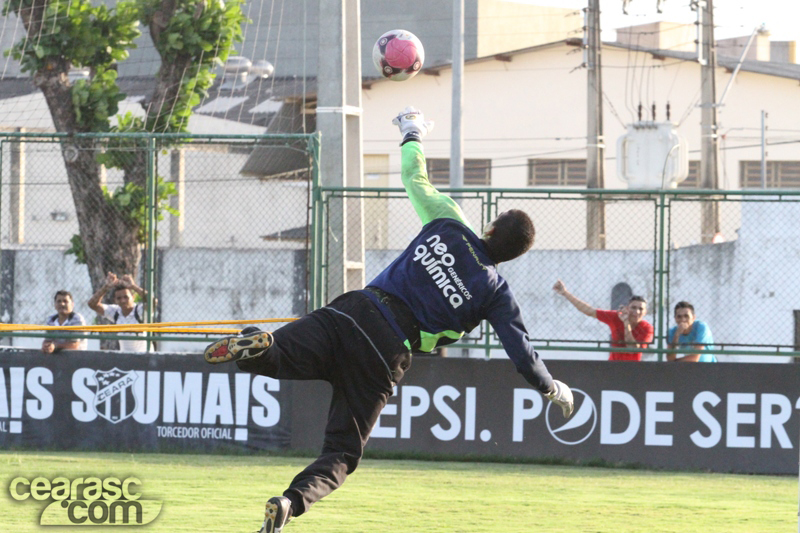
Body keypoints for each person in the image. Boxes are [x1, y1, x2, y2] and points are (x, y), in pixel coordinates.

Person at [203, 107, 575, 533]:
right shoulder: (496, 292)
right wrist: (551, 387)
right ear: (513, 255)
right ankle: (289, 503)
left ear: (489, 228)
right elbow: (521, 353)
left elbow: (415, 179)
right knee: (343, 452)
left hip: (353, 310)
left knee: (276, 357)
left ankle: (260, 342)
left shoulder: (450, 222)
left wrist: (412, 131)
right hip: (386, 352)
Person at [552, 280, 654, 361]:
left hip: (633, 370)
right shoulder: (615, 317)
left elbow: (632, 350)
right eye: (633, 307)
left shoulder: (647, 328)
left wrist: (626, 323)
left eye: (640, 309)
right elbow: (590, 311)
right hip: (612, 367)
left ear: (645, 312)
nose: (636, 311)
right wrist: (565, 293)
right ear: (627, 308)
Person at [88, 272, 155, 353]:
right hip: (125, 357)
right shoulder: (115, 311)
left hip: (145, 357)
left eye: (126, 297)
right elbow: (92, 304)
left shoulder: (139, 310)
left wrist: (133, 286)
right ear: (115, 300)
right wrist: (105, 287)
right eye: (119, 298)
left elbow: (153, 302)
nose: (122, 301)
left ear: (133, 297)